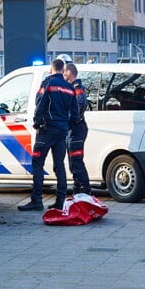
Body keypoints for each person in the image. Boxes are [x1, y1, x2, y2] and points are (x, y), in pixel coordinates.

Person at [20, 57, 79, 212]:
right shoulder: (70, 87)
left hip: (46, 130)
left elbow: (40, 103)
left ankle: (37, 200)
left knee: (37, 163)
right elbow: (75, 113)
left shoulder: (48, 84)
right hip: (62, 132)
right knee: (59, 165)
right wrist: (67, 126)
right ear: (63, 70)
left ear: (51, 69)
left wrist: (37, 122)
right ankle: (60, 201)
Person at [63, 62, 92, 195]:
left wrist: (68, 120)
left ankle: (86, 192)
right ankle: (78, 191)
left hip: (76, 130)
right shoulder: (72, 88)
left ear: (69, 73)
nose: (63, 75)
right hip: (73, 130)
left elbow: (80, 104)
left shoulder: (77, 88)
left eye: (64, 72)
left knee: (76, 162)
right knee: (73, 163)